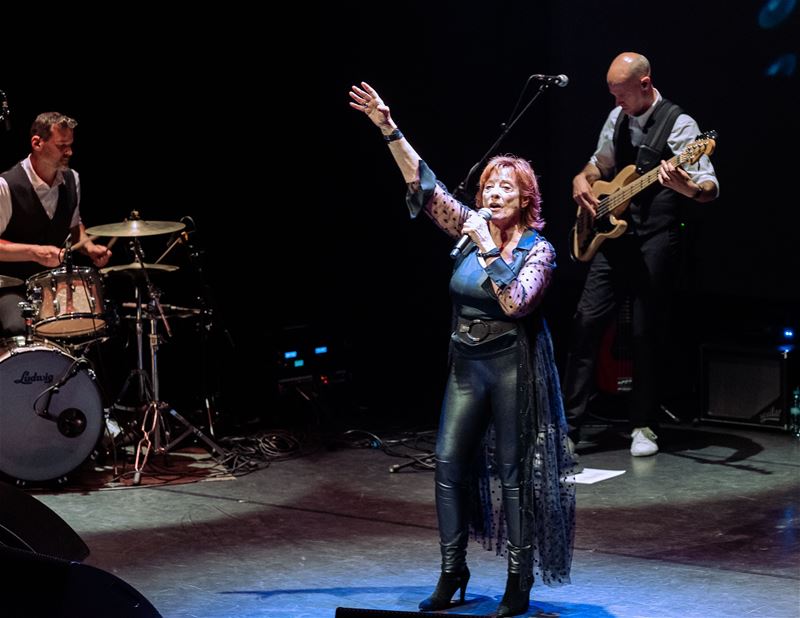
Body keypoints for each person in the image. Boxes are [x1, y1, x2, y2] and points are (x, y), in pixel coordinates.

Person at [349, 82, 576, 617]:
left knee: (513, 474)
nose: (493, 195)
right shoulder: (465, 226)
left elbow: (518, 303)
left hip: (512, 364)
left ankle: (518, 581)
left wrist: (483, 246)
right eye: (488, 187)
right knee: (447, 465)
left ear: (525, 201)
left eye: (506, 189)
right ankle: (453, 572)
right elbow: (424, 187)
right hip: (466, 364)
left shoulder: (535, 250)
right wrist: (389, 128)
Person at [563, 52, 719, 456]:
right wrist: (584, 178)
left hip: (655, 238)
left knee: (646, 332)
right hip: (613, 238)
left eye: (622, 95)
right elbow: (600, 163)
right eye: (612, 95)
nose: (617, 103)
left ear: (646, 84)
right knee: (585, 323)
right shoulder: (616, 118)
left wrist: (685, 187)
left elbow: (708, 188)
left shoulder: (681, 125)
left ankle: (643, 425)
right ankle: (568, 426)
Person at [0, 112, 111, 336]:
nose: (69, 152)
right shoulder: (6, 186)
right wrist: (34, 252)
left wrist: (89, 247)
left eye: (70, 145)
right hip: (13, 287)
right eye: (62, 145)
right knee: (18, 328)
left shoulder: (72, 179)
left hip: (55, 285)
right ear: (37, 143)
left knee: (94, 326)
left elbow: (74, 224)